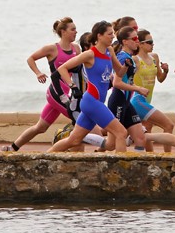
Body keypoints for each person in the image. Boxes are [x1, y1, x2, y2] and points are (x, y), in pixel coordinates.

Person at [48, 20, 134, 153]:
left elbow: (120, 72)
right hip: (91, 102)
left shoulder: (109, 51)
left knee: (74, 141)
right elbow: (62, 68)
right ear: (99, 36)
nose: (113, 36)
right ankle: (123, 166)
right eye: (109, 34)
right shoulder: (90, 54)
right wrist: (73, 87)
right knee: (121, 133)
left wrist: (126, 66)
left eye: (113, 34)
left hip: (96, 102)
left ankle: (45, 157)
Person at [8, 17, 80, 151]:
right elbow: (31, 59)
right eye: (73, 29)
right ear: (63, 32)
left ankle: (11, 148)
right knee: (80, 120)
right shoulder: (52, 49)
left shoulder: (76, 48)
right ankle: (73, 152)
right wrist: (38, 73)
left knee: (40, 127)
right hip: (55, 93)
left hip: (67, 92)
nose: (76, 32)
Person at [107, 26, 151, 150]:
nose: (138, 41)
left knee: (140, 138)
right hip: (118, 102)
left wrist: (138, 87)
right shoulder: (122, 58)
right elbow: (116, 83)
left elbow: (127, 82)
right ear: (125, 41)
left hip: (126, 103)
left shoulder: (129, 57)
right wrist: (138, 89)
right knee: (111, 144)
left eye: (138, 38)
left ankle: (137, 163)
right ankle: (77, 136)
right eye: (134, 38)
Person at [131, 29, 175, 151]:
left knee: (147, 129)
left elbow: (160, 79)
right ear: (140, 44)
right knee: (168, 125)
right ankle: (168, 157)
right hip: (137, 100)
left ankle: (150, 156)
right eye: (149, 42)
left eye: (152, 42)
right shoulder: (135, 59)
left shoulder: (154, 57)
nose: (152, 44)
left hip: (146, 100)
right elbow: (125, 79)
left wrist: (166, 71)